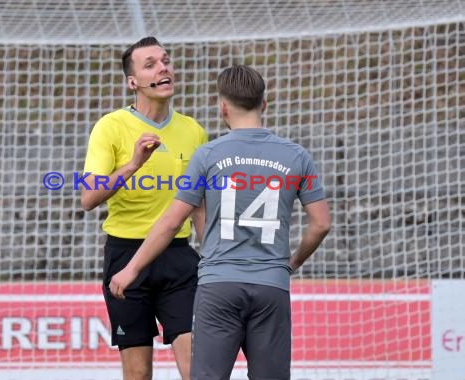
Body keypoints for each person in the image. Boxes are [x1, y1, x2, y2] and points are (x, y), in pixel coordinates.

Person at [109, 64, 331, 380]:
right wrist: (291, 263)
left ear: (222, 107)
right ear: (264, 104)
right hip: (271, 286)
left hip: (219, 286)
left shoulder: (208, 155)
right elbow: (321, 224)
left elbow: (172, 222)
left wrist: (131, 268)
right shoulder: (296, 156)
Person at [80, 36, 208, 380]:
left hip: (179, 259)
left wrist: (214, 256)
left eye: (165, 60)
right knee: (137, 373)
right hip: (125, 256)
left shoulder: (193, 131)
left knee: (198, 368)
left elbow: (198, 206)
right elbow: (89, 198)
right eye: (150, 64)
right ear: (132, 81)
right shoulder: (111, 126)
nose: (163, 67)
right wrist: (133, 164)